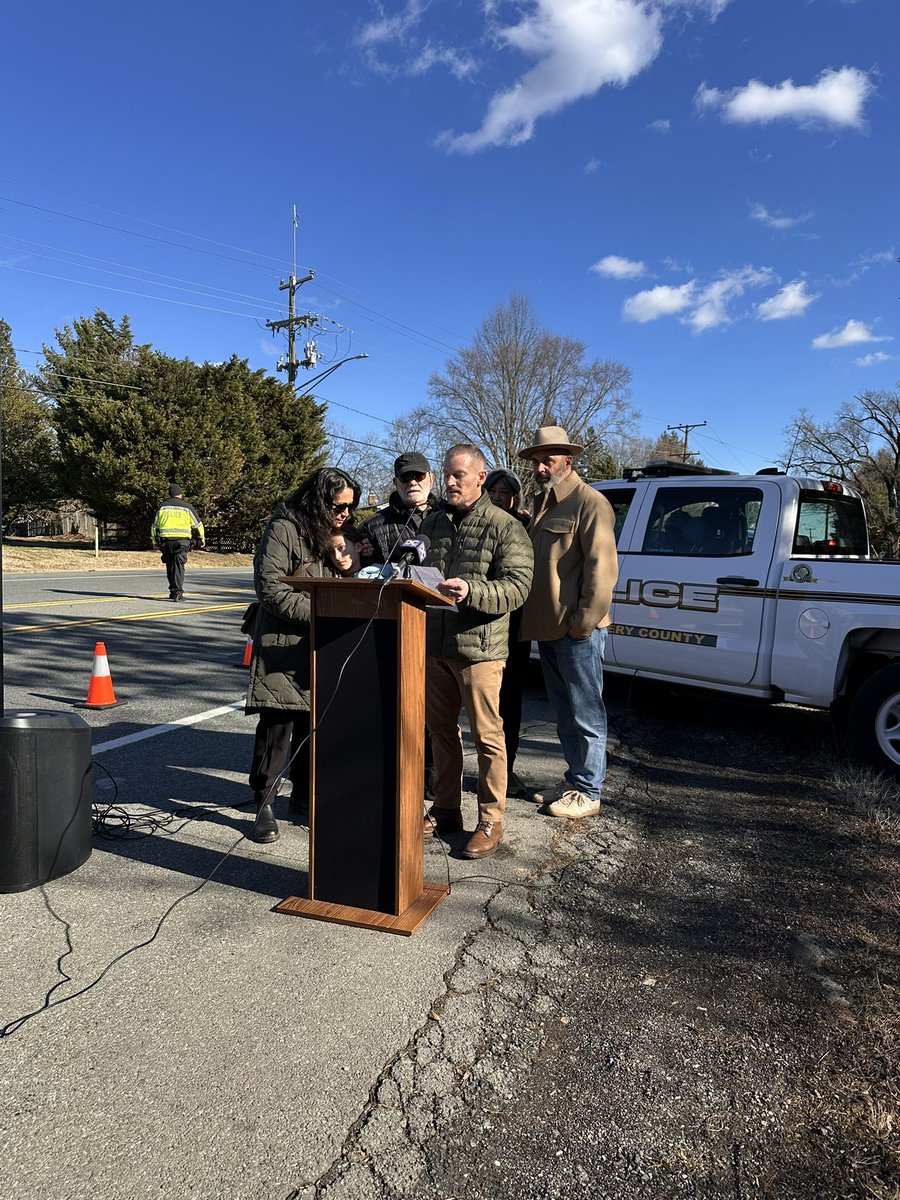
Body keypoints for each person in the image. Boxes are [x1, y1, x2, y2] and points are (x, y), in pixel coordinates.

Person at [420, 444, 534, 859]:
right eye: (447, 474)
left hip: (481, 650)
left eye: (459, 475)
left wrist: (472, 591)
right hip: (434, 645)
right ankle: (446, 809)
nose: (450, 482)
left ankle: (490, 820)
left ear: (480, 478)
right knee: (440, 732)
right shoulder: (432, 522)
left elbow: (518, 587)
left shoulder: (505, 526)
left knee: (487, 736)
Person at [245, 467, 360, 843]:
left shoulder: (339, 533)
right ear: (319, 501)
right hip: (283, 641)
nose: (345, 513)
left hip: (323, 643)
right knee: (277, 726)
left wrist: (352, 566)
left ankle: (304, 795)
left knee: (315, 726)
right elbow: (270, 588)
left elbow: (348, 579)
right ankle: (264, 802)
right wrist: (323, 611)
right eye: (339, 506)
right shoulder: (284, 528)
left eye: (350, 507)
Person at [518, 426, 618, 820]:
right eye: (537, 462)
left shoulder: (590, 503)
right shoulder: (543, 504)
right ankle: (574, 780)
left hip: (576, 632)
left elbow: (602, 571)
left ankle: (589, 791)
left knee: (586, 714)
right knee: (564, 713)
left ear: (568, 461)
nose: (541, 468)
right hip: (548, 628)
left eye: (548, 460)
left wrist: (583, 624)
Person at [484, 468, 532, 799]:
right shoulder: (473, 523)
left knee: (509, 701)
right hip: (478, 627)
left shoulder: (525, 528)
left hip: (515, 627)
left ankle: (506, 770)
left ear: (515, 498)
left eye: (505, 493)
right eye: (493, 491)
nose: (498, 497)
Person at [360, 451, 437, 563]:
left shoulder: (450, 514)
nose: (412, 482)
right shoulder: (372, 527)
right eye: (405, 477)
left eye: (419, 476)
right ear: (395, 482)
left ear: (431, 478)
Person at [151, 484, 205, 601]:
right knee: (179, 566)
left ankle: (173, 591)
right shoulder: (187, 507)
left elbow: (154, 526)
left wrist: (154, 541)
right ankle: (178, 593)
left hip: (166, 541)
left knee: (170, 565)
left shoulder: (162, 507)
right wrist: (201, 538)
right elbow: (198, 525)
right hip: (182, 541)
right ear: (180, 494)